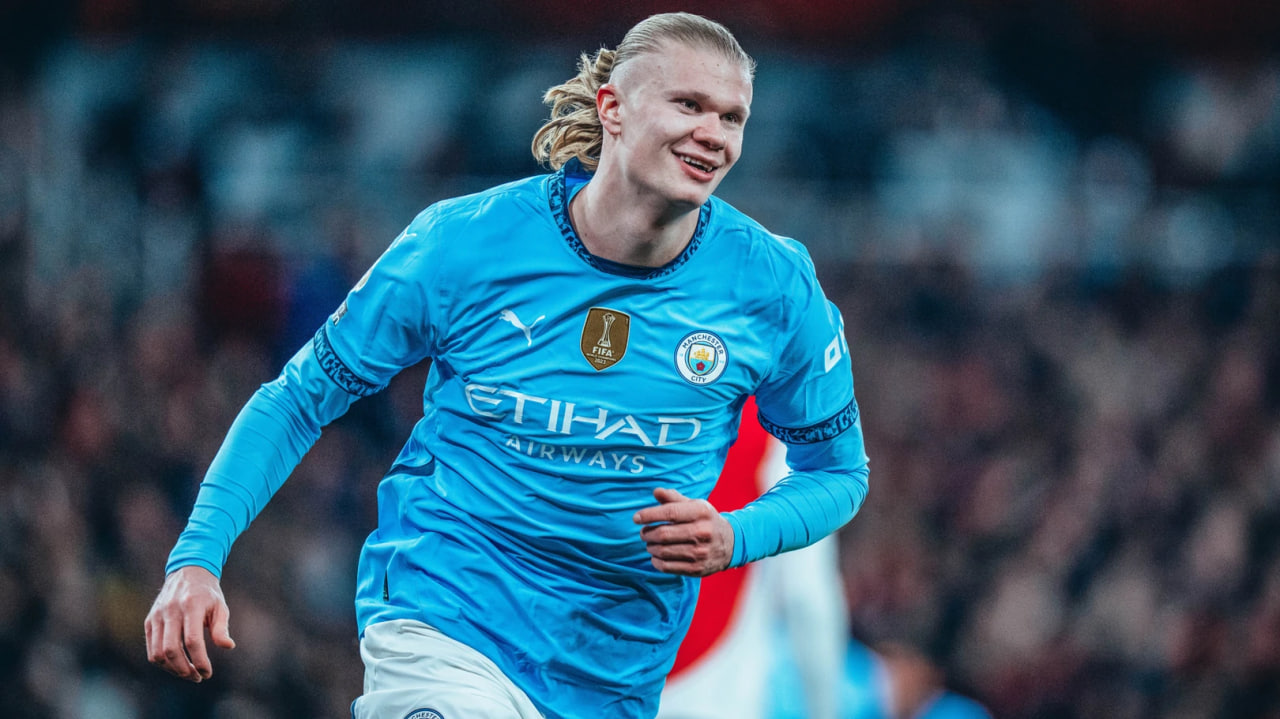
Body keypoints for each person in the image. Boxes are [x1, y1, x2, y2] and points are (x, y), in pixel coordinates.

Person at [144, 12, 870, 719]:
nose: (713, 133)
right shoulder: (464, 243)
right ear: (613, 108)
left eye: (732, 117)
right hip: (446, 618)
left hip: (614, 671)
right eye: (689, 105)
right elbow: (300, 397)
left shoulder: (773, 287)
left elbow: (839, 474)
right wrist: (197, 558)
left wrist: (737, 535)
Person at [658, 397, 848, 719]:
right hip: (711, 696)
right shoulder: (787, 426)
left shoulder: (620, 395)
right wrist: (825, 711)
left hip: (602, 687)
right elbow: (806, 597)